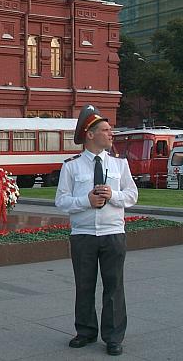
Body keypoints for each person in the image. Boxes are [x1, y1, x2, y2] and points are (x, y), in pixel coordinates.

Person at [55, 104, 138, 357]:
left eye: (110, 129)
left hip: (113, 233)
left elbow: (132, 195)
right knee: (84, 285)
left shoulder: (120, 165)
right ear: (90, 134)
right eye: (105, 129)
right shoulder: (71, 166)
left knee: (114, 287)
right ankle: (85, 331)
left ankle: (113, 337)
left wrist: (113, 195)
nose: (111, 134)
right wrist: (85, 201)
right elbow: (61, 201)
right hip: (83, 235)